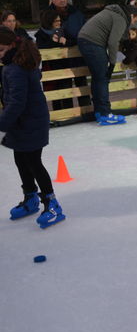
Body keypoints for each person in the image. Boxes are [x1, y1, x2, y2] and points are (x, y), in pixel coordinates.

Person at [0, 26, 65, 228]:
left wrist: (1, 125)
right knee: (21, 159)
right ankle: (31, 198)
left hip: (30, 122)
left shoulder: (16, 68)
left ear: (12, 45)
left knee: (34, 163)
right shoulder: (14, 64)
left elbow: (16, 102)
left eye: (1, 49)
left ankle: (52, 204)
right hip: (22, 123)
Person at [77, 4, 137, 125]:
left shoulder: (113, 13)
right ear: (131, 15)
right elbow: (112, 42)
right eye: (133, 21)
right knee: (102, 78)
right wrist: (111, 64)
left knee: (98, 78)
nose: (131, 24)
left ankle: (99, 112)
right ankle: (105, 113)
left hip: (86, 40)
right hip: (93, 43)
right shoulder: (121, 18)